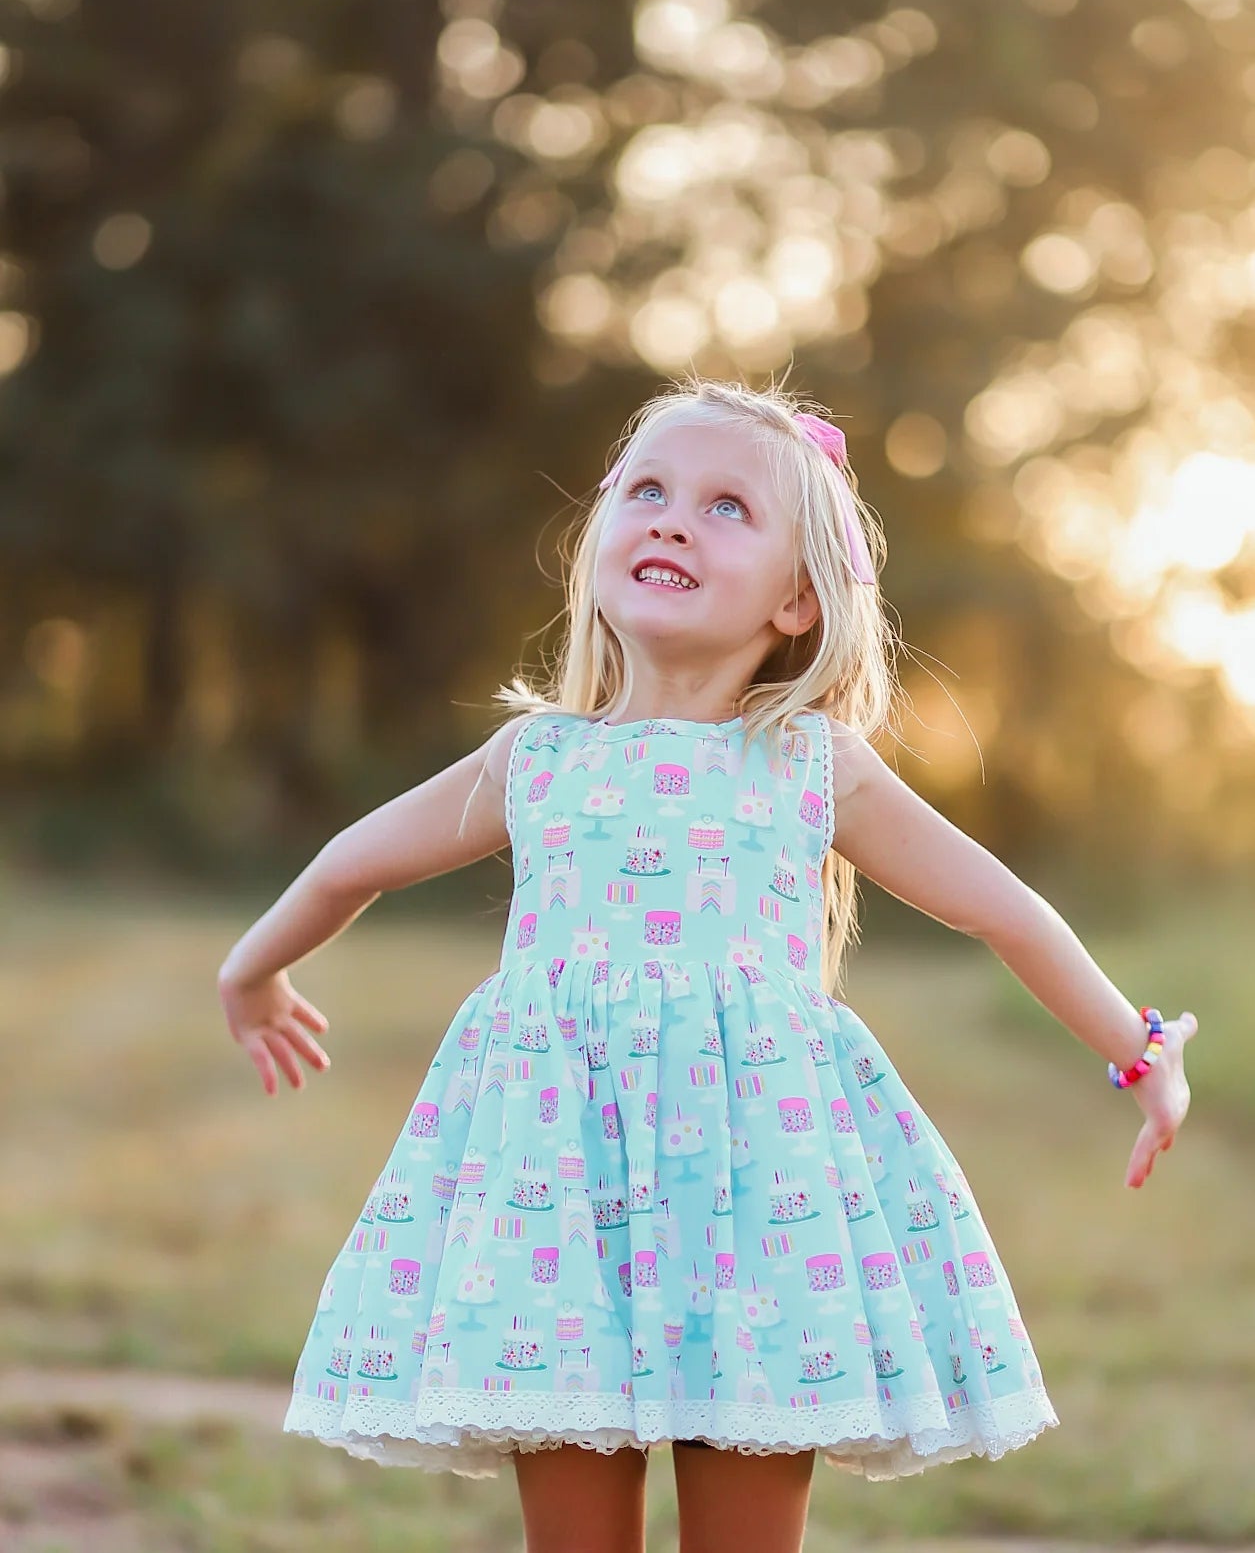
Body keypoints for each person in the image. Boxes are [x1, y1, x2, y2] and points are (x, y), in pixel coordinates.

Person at [217, 375, 1198, 1553]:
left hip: (762, 1206)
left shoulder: (808, 761)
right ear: (597, 547)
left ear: (795, 598)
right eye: (647, 490)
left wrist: (1139, 1051)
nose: (673, 517)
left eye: (727, 505)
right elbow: (346, 864)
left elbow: (1010, 915)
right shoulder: (536, 760)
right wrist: (255, 970)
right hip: (557, 1205)